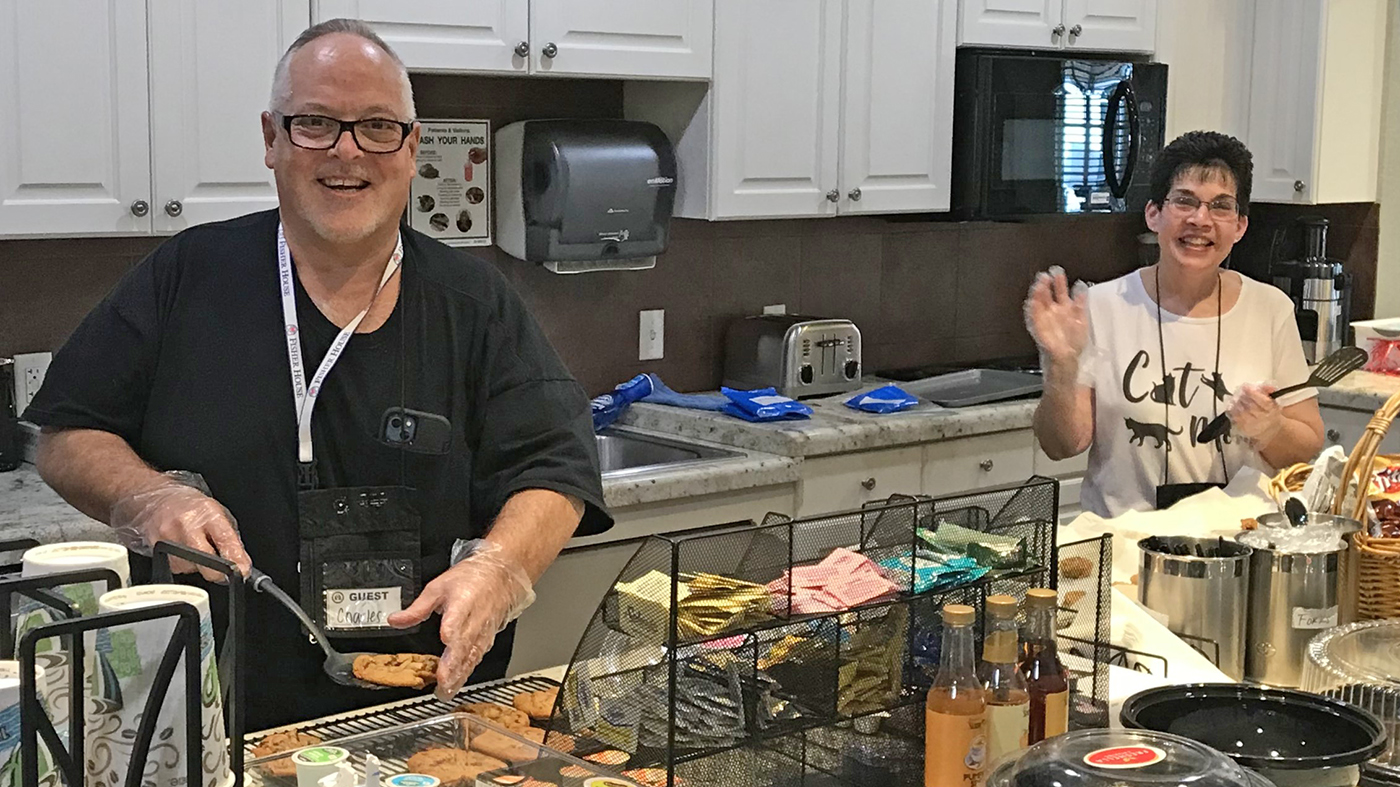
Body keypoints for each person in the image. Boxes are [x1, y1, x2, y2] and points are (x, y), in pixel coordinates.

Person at [23, 19, 610, 729]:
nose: (346, 150)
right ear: (271, 138)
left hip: (424, 717)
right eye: (316, 124)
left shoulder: (475, 304)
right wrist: (146, 498)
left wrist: (499, 568)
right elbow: (64, 435)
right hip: (208, 713)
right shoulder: (186, 278)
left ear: (413, 146)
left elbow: (557, 464)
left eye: (376, 127)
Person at [1026, 130, 1324, 517]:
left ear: (1240, 226)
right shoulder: (1102, 307)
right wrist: (1062, 368)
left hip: (1238, 544)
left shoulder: (1269, 309)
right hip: (1125, 549)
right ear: (1154, 214)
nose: (1200, 220)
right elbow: (1062, 445)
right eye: (1184, 201)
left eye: (1220, 206)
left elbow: (1308, 444)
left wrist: (1270, 428)